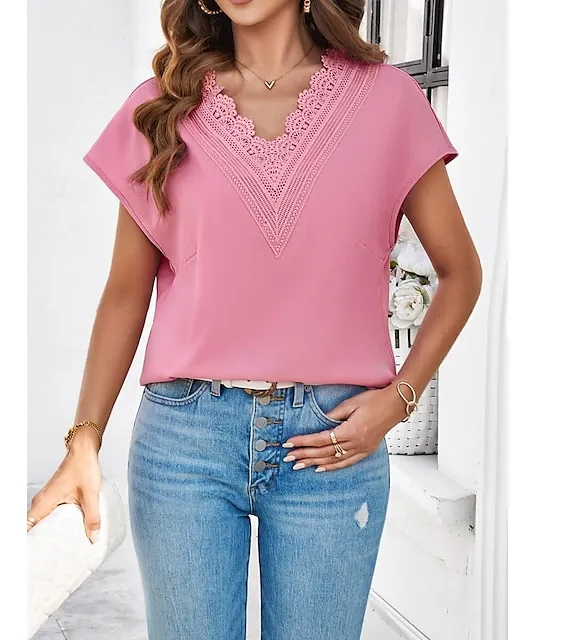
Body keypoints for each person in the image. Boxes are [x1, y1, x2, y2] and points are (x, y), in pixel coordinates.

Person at [27, 0, 482, 637]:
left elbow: (461, 272)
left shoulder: (388, 101)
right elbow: (126, 294)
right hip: (184, 444)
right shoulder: (162, 107)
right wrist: (85, 440)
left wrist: (398, 400)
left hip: (331, 445)